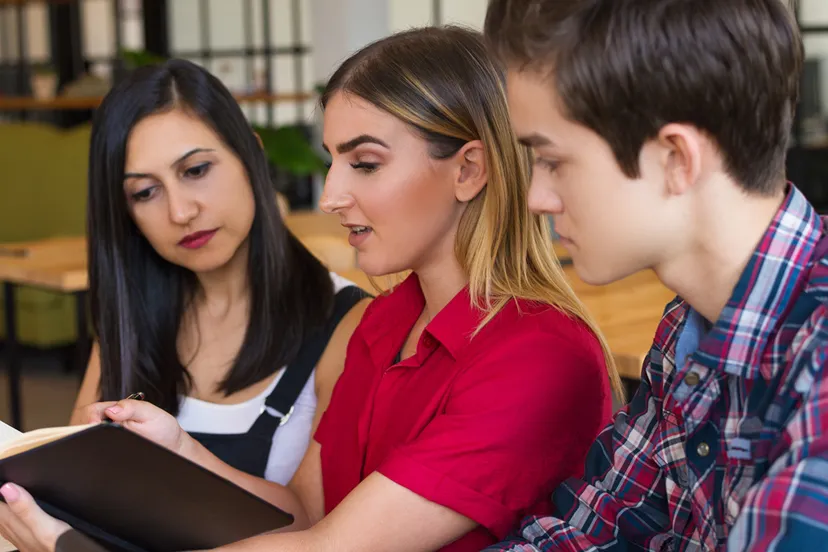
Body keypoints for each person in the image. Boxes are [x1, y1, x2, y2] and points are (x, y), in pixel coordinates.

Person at [0, 27, 622, 552]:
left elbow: (327, 549)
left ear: (468, 169)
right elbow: (304, 512)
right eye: (332, 160)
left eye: (366, 163)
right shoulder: (388, 321)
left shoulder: (535, 353)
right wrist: (182, 448)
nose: (329, 196)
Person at [482, 0, 828, 550]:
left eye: (553, 161)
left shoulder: (819, 368)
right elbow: (591, 532)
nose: (536, 198)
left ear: (675, 159)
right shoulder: (690, 323)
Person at [68, 58, 372, 486]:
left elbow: (323, 528)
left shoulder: (349, 325)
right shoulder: (128, 318)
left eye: (195, 171)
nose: (180, 211)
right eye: (145, 192)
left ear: (251, 154)